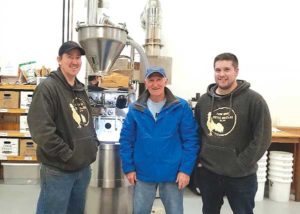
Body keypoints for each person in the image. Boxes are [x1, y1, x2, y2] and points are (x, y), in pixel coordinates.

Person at [27, 41, 99, 214]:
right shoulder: (47, 88)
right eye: (69, 57)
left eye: (78, 58)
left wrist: (92, 145)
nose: (75, 62)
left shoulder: (80, 89)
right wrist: (67, 154)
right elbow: (41, 131)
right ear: (59, 60)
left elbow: (87, 123)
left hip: (82, 169)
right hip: (58, 170)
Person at [194, 53, 271, 214]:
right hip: (210, 173)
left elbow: (262, 138)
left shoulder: (254, 100)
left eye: (227, 69)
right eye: (218, 70)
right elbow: (197, 134)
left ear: (236, 71)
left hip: (241, 176)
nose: (222, 74)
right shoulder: (204, 102)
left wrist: (241, 164)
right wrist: (199, 163)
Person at [119, 66, 200, 214]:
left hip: (173, 174)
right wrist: (129, 168)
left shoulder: (180, 107)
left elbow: (191, 141)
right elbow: (126, 140)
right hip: (143, 173)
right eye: (151, 80)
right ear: (146, 82)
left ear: (165, 81)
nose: (155, 84)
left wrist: (185, 170)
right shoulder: (135, 108)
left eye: (159, 79)